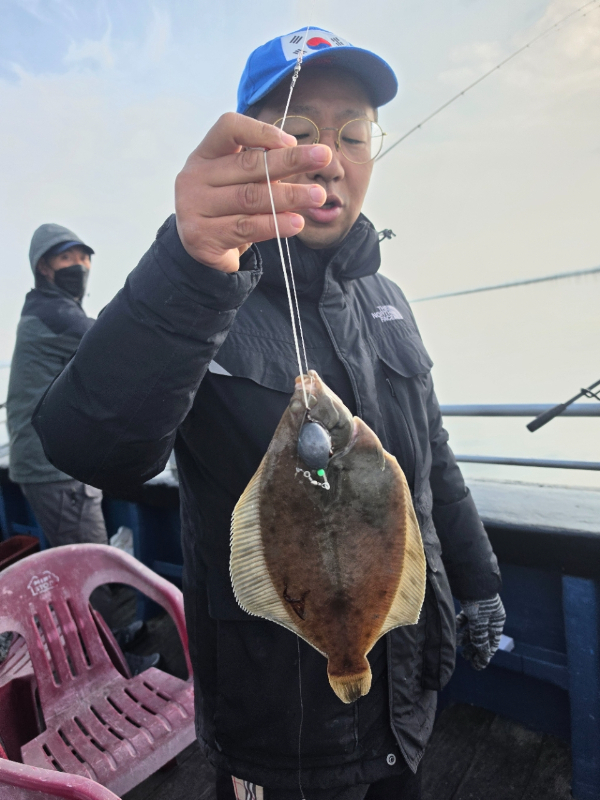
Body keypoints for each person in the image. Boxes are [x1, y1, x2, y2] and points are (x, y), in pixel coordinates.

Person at [33, 28, 506, 800]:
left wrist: (478, 579)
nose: (327, 157)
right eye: (299, 131)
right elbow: (91, 448)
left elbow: (434, 461)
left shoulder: (386, 300)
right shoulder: (202, 292)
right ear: (248, 148)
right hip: (279, 723)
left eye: (353, 133)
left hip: (408, 699)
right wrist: (189, 265)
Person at [7, 224, 158, 675]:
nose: (79, 266)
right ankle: (109, 662)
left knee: (77, 562)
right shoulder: (56, 314)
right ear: (44, 268)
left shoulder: (46, 309)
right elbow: (116, 345)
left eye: (83, 257)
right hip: (53, 468)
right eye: (66, 258)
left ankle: (100, 643)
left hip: (43, 460)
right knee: (90, 567)